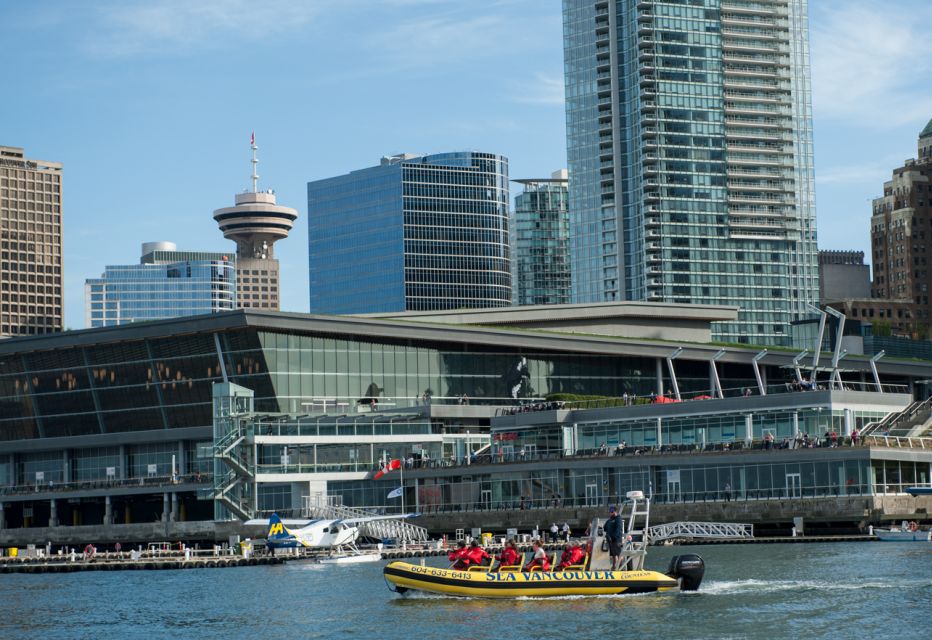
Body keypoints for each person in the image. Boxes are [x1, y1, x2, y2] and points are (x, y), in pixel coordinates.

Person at [603, 505, 622, 571]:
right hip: (610, 540)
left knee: (618, 554)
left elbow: (618, 529)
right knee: (613, 555)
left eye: (612, 511)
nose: (610, 513)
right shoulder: (609, 520)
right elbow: (605, 528)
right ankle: (614, 567)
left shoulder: (618, 519)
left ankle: (619, 567)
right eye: (610, 511)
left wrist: (613, 537)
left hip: (616, 540)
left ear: (615, 512)